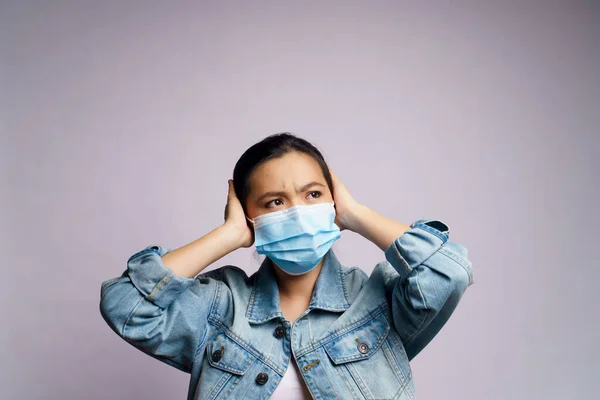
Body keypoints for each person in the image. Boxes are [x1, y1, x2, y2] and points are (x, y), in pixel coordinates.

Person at [100, 132, 474, 400]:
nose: (297, 211)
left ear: (333, 200)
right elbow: (125, 305)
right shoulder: (220, 308)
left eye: (313, 194)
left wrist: (357, 215)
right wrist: (229, 235)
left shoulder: (378, 298)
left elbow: (449, 272)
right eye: (274, 202)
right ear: (248, 215)